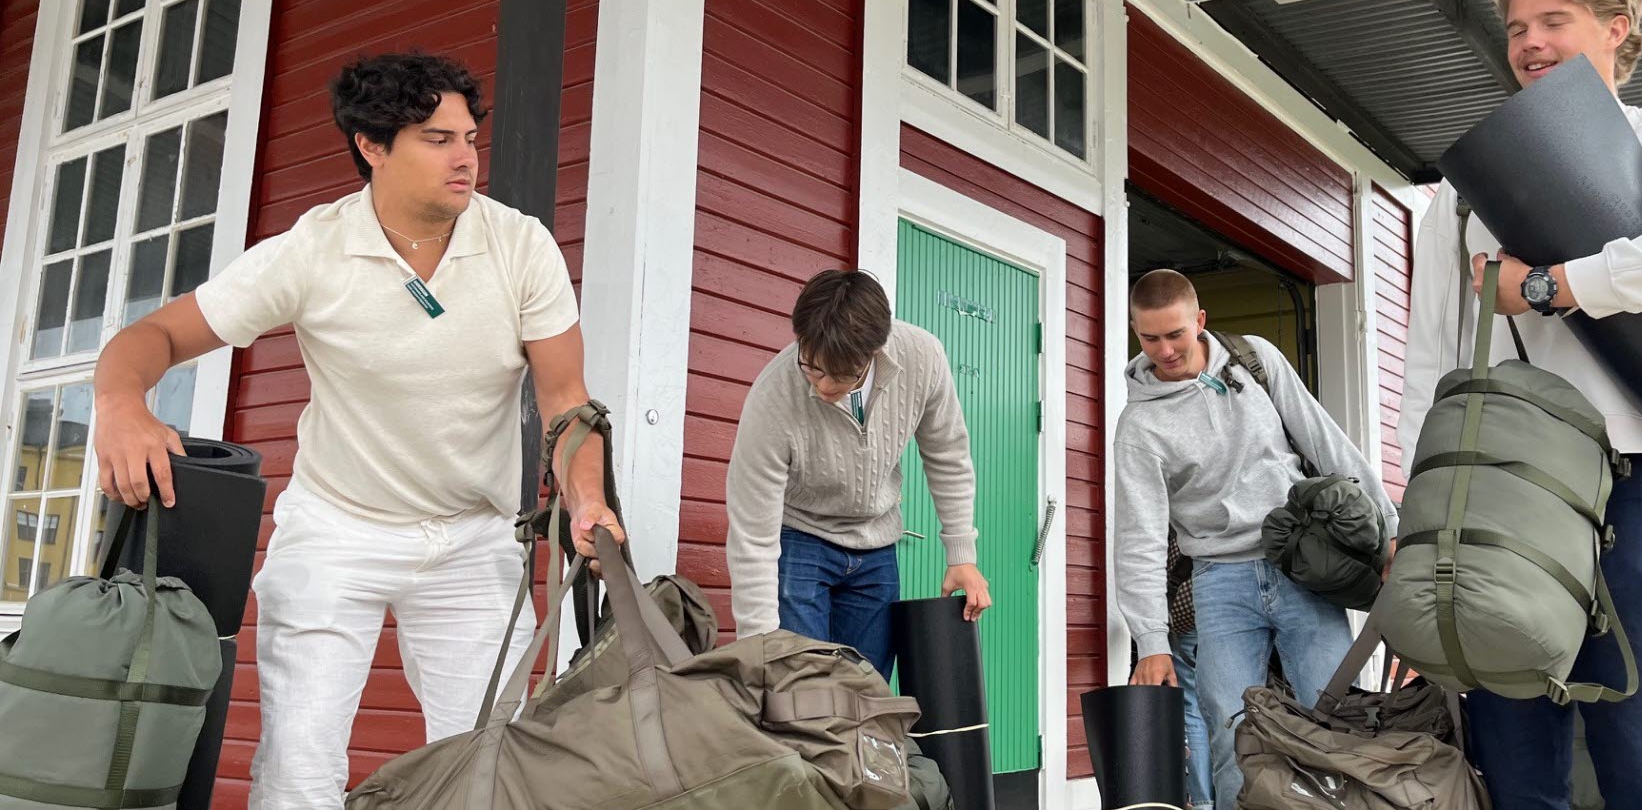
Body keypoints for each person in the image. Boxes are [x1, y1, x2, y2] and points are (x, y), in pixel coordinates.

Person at [89, 53, 619, 809]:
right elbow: (153, 339)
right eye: (437, 139)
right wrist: (120, 405)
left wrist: (589, 497)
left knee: (491, 770)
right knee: (299, 775)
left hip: (473, 539)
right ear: (372, 144)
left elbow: (567, 400)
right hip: (338, 530)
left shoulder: (520, 245)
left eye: (469, 136)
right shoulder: (313, 250)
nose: (465, 157)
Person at [1398, 0, 1642, 806]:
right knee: (1518, 770)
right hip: (1492, 499)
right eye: (1517, 29)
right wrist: (1415, 515)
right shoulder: (1462, 190)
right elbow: (1428, 358)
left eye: (1552, 20)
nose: (1528, 43)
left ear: (1615, 26)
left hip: (1629, 491)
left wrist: (1550, 284)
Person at [1115, 269, 1398, 810]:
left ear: (1199, 321)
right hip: (1218, 584)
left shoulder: (1254, 360)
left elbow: (1326, 440)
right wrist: (1150, 640)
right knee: (1231, 735)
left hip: (1301, 566)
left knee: (1333, 720)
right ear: (1136, 333)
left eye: (1175, 333)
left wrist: (1387, 533)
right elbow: (1139, 538)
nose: (1165, 350)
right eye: (1150, 338)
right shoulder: (1138, 428)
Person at [725, 269, 991, 676]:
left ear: (875, 353)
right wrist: (759, 645)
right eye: (812, 368)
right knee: (796, 684)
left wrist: (962, 555)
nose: (823, 386)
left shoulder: (923, 359)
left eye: (842, 375)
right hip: (800, 540)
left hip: (876, 545)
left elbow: (947, 454)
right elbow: (752, 533)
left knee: (868, 692)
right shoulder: (773, 398)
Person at [1167, 541, 1214, 810]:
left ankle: (1202, 802)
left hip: (1188, 611)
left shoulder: (1180, 509)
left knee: (1193, 709)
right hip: (1235, 608)